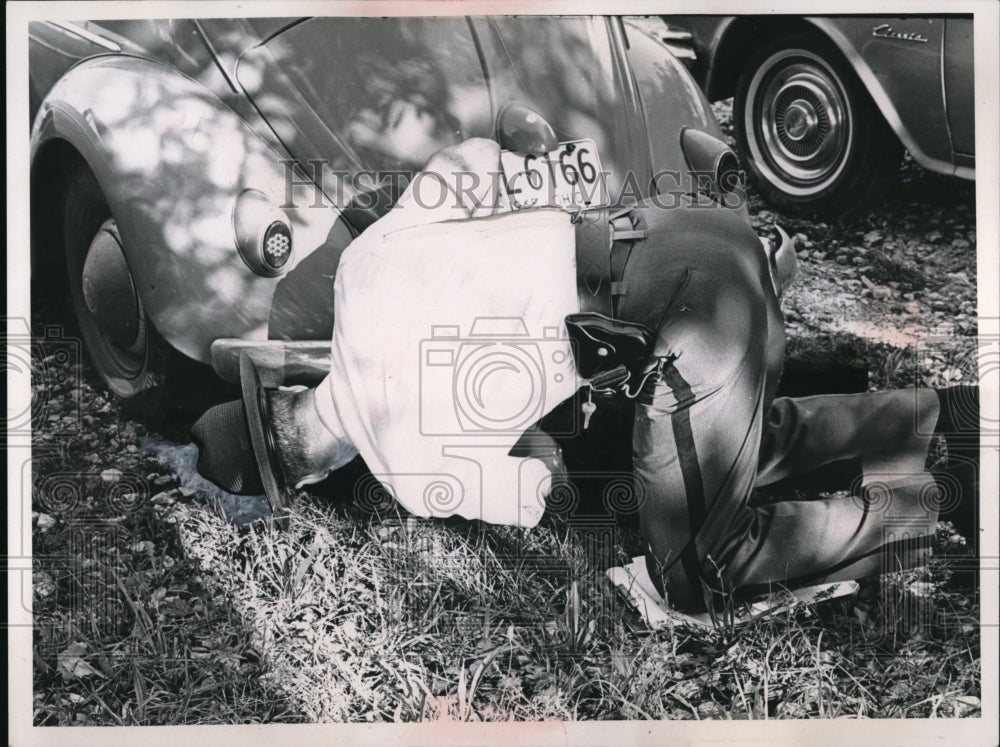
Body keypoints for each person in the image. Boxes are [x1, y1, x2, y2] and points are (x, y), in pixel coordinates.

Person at [192, 138, 980, 613]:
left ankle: (938, 505)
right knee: (741, 444)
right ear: (286, 392)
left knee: (700, 573)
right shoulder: (357, 271)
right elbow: (470, 164)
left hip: (681, 322)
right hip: (677, 229)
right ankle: (940, 416)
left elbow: (540, 488)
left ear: (302, 478)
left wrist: (506, 419)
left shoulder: (404, 473)